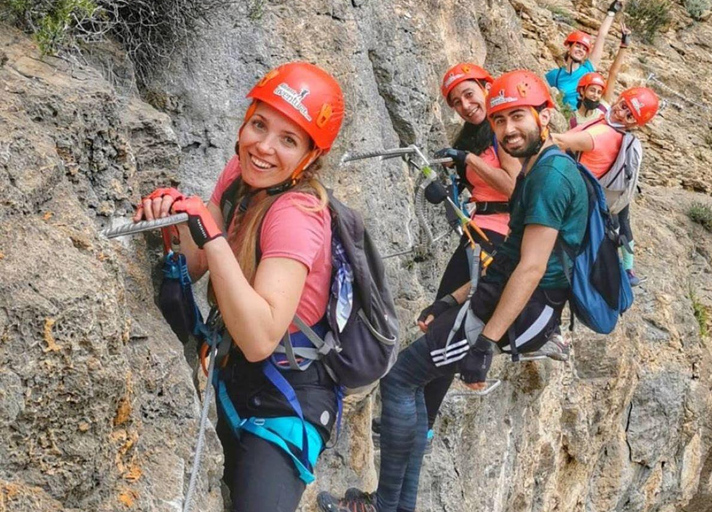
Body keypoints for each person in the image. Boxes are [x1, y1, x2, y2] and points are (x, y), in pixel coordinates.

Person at [318, 70, 588, 512]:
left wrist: (484, 341)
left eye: (518, 116)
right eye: (500, 122)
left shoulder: (551, 176)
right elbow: (507, 261)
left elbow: (531, 267)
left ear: (546, 115)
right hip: (495, 298)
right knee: (413, 377)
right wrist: (450, 300)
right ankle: (395, 506)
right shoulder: (536, 170)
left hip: (519, 309)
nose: (507, 129)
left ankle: (384, 506)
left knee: (403, 377)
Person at [134, 62, 345, 512]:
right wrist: (170, 220)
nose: (264, 147)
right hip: (237, 375)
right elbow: (193, 266)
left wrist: (209, 234)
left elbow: (260, 336)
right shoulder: (238, 173)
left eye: (288, 140)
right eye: (259, 125)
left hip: (287, 399)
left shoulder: (297, 216)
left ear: (310, 157)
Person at [415, 62, 521, 448]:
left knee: (448, 323)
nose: (465, 104)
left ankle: (421, 422)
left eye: (469, 93)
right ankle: (421, 420)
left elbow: (514, 188)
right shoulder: (473, 135)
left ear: (487, 87)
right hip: (478, 233)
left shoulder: (501, 132)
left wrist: (468, 161)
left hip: (497, 238)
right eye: (457, 101)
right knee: (441, 319)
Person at [552, 86, 660, 286]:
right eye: (623, 106)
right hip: (597, 194)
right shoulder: (605, 121)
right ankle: (626, 269)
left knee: (622, 223)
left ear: (635, 124)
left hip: (573, 195)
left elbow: (558, 141)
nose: (621, 114)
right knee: (622, 223)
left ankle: (627, 269)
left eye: (629, 116)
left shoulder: (605, 133)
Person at [545, 0, 623, 110]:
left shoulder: (588, 69)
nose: (581, 50)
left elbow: (601, 36)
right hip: (566, 118)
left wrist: (612, 12)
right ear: (569, 47)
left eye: (584, 49)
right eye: (577, 46)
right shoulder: (555, 75)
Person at [570, 24, 632, 128]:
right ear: (582, 91)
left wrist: (623, 46)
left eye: (599, 92)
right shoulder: (573, 119)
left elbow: (613, 74)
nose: (595, 95)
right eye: (592, 90)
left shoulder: (602, 108)